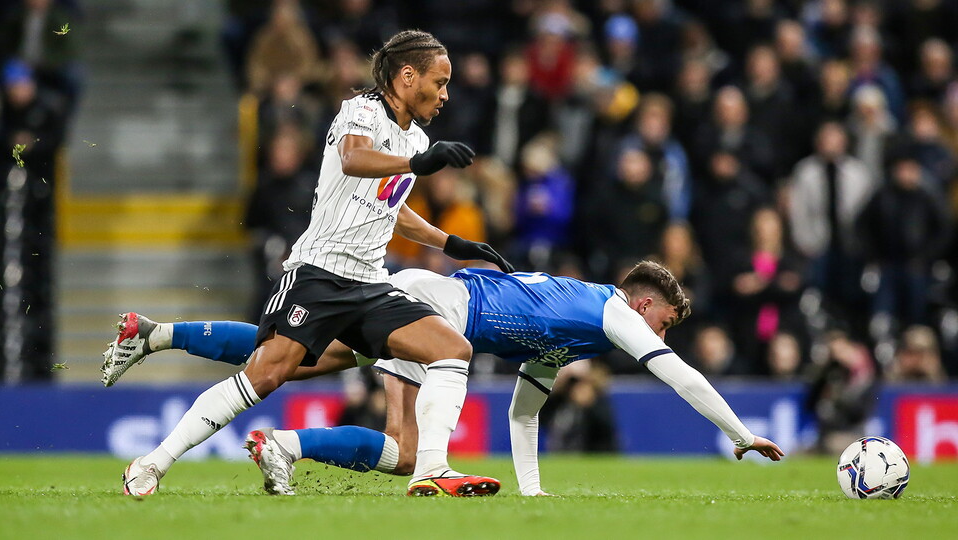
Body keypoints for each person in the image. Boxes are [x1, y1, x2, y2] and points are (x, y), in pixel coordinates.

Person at [112, 29, 514, 499]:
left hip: (370, 284)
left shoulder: (416, 137)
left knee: (452, 350)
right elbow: (353, 159)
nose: (445, 94)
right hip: (319, 274)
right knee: (263, 375)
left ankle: (433, 469)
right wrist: (418, 162)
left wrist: (452, 242)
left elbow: (391, 205)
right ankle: (152, 462)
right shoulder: (361, 110)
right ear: (408, 77)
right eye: (439, 82)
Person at [103, 262, 784, 497]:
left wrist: (536, 493)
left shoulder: (570, 332)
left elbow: (523, 416)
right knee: (401, 451)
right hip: (434, 308)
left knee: (286, 355)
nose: (661, 334)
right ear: (644, 306)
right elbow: (680, 376)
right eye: (663, 320)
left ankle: (154, 333)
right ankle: (293, 447)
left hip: (425, 296)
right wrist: (742, 433)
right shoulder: (611, 312)